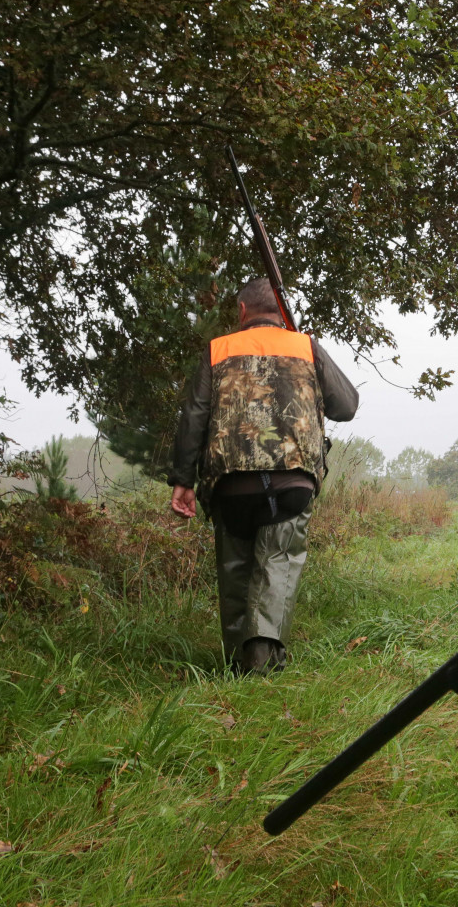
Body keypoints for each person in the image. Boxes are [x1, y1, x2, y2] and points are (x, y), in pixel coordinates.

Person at [169, 277, 358, 676]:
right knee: (277, 564)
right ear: (281, 310)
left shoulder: (217, 350)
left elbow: (193, 419)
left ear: (242, 311)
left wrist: (182, 481)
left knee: (235, 570)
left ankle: (236, 664)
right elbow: (346, 406)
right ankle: (262, 663)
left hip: (230, 486)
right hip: (292, 483)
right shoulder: (305, 346)